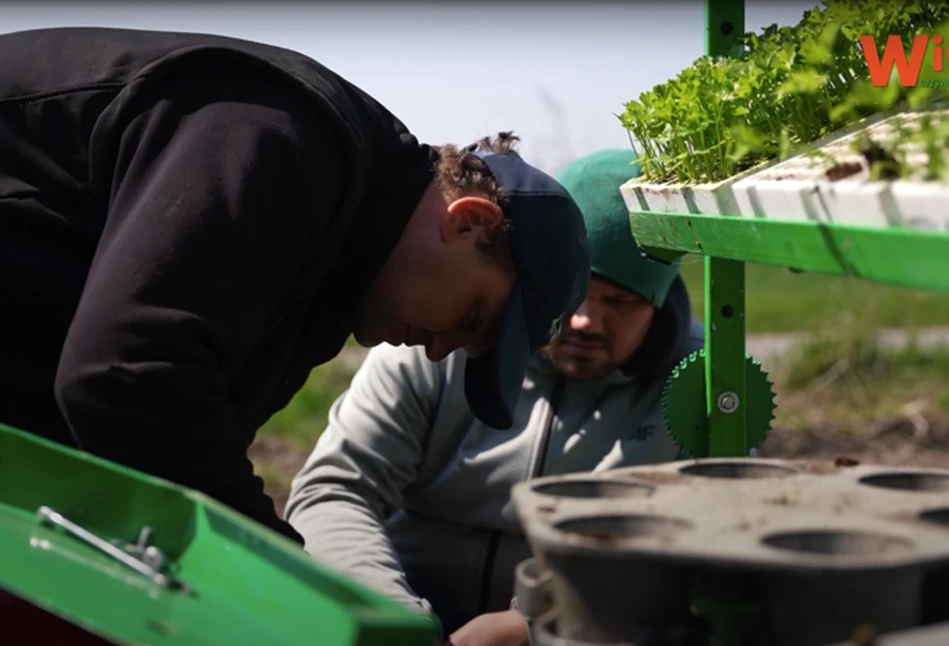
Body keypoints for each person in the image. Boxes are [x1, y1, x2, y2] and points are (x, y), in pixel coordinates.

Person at [0, 27, 591, 543]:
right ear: (468, 222)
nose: (439, 350)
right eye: (472, 319)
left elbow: (185, 446)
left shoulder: (342, 277)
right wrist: (278, 569)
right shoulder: (285, 138)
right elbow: (127, 373)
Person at [285, 149, 705, 645]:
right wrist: (398, 623)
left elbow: (696, 545)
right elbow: (335, 488)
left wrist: (531, 623)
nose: (586, 320)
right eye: (575, 295)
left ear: (657, 303)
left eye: (621, 301)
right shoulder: (442, 330)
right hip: (400, 602)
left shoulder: (696, 384)